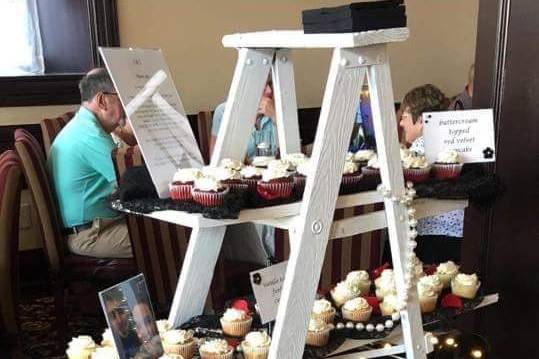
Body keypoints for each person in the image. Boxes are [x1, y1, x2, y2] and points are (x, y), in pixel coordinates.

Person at [47, 68, 133, 258]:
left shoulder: (85, 126)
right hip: (90, 234)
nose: (128, 106)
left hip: (98, 225)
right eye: (122, 98)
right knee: (169, 238)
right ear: (102, 100)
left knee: (167, 232)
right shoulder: (90, 135)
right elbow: (131, 182)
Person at [398, 84, 463, 264]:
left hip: (430, 237)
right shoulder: (457, 144)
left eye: (404, 116)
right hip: (461, 235)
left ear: (421, 121)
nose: (401, 123)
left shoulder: (418, 151)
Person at [210, 77, 277, 160]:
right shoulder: (224, 112)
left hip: (275, 171)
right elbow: (214, 159)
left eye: (270, 84)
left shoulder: (278, 109)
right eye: (262, 84)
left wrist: (275, 117)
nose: (269, 91)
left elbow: (293, 153)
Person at [103, 290, 141, 358]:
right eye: (113, 315)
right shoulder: (109, 349)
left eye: (120, 311)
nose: (119, 320)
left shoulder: (139, 334)